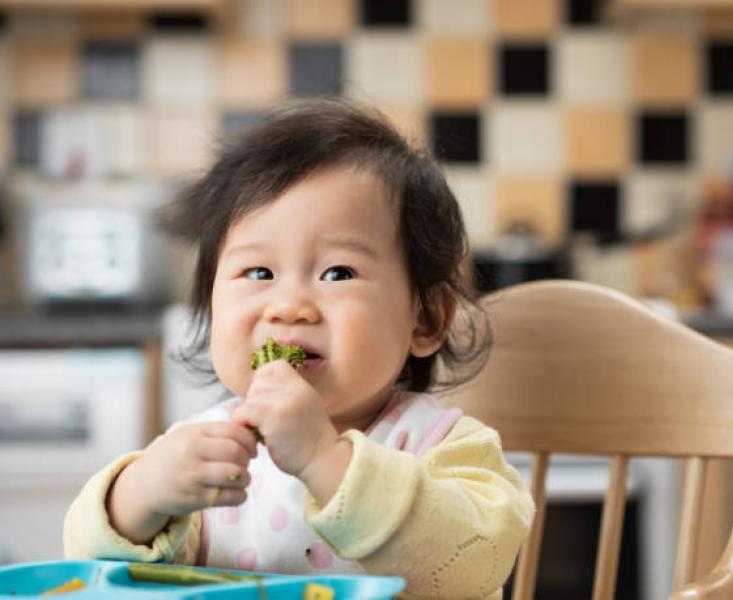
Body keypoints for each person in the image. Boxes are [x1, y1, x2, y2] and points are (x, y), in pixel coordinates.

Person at [63, 98, 533, 599]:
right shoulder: (205, 453)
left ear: (426, 318)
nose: (288, 307)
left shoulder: (446, 447)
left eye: (338, 273)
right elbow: (90, 570)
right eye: (258, 273)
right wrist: (141, 497)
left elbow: (467, 570)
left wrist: (323, 459)